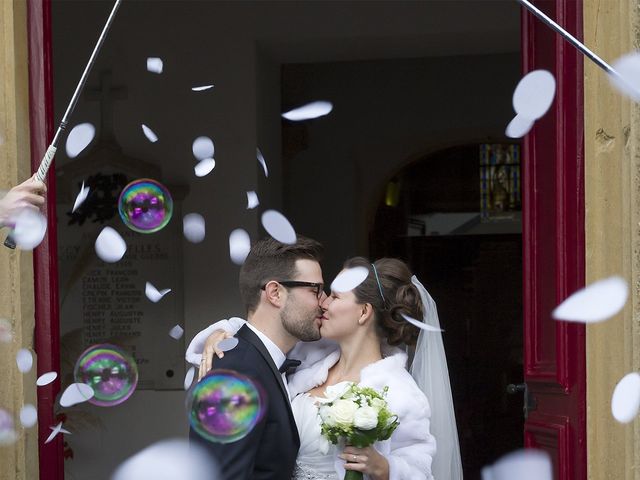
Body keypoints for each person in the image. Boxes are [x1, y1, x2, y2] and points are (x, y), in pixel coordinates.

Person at [188, 256, 463, 480]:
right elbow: (265, 333)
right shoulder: (312, 356)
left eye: (334, 296)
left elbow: (422, 469)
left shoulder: (400, 391)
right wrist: (223, 331)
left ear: (364, 312)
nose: (323, 303)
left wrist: (385, 467)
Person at [188, 235, 326, 480]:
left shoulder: (262, 360)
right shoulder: (238, 369)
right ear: (275, 293)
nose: (323, 303)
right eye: (315, 289)